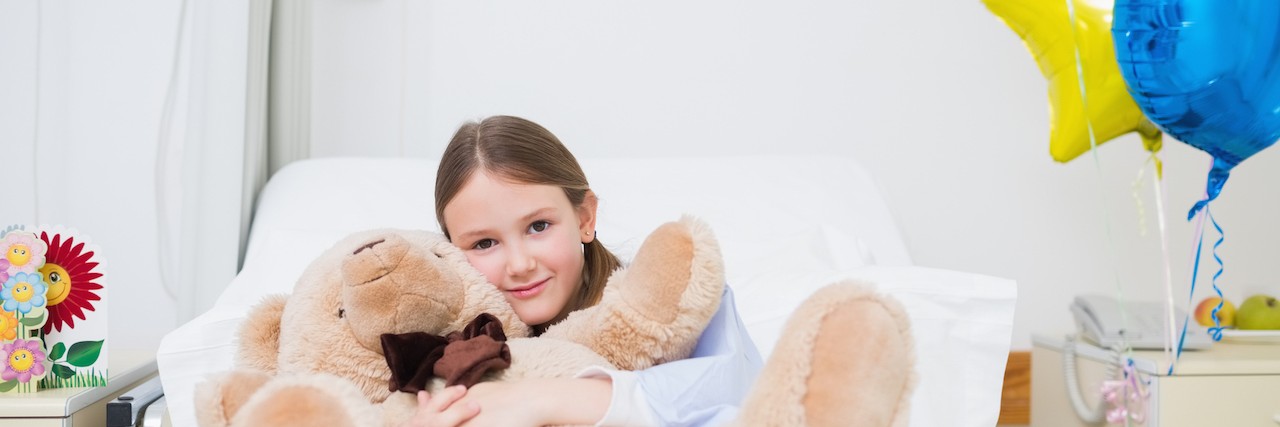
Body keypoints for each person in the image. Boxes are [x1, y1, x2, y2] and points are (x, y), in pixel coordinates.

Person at [405, 115, 763, 427]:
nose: (520, 265)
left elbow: (739, 397)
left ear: (584, 218)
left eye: (539, 226)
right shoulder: (445, 345)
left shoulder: (667, 300)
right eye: (484, 244)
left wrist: (541, 399)